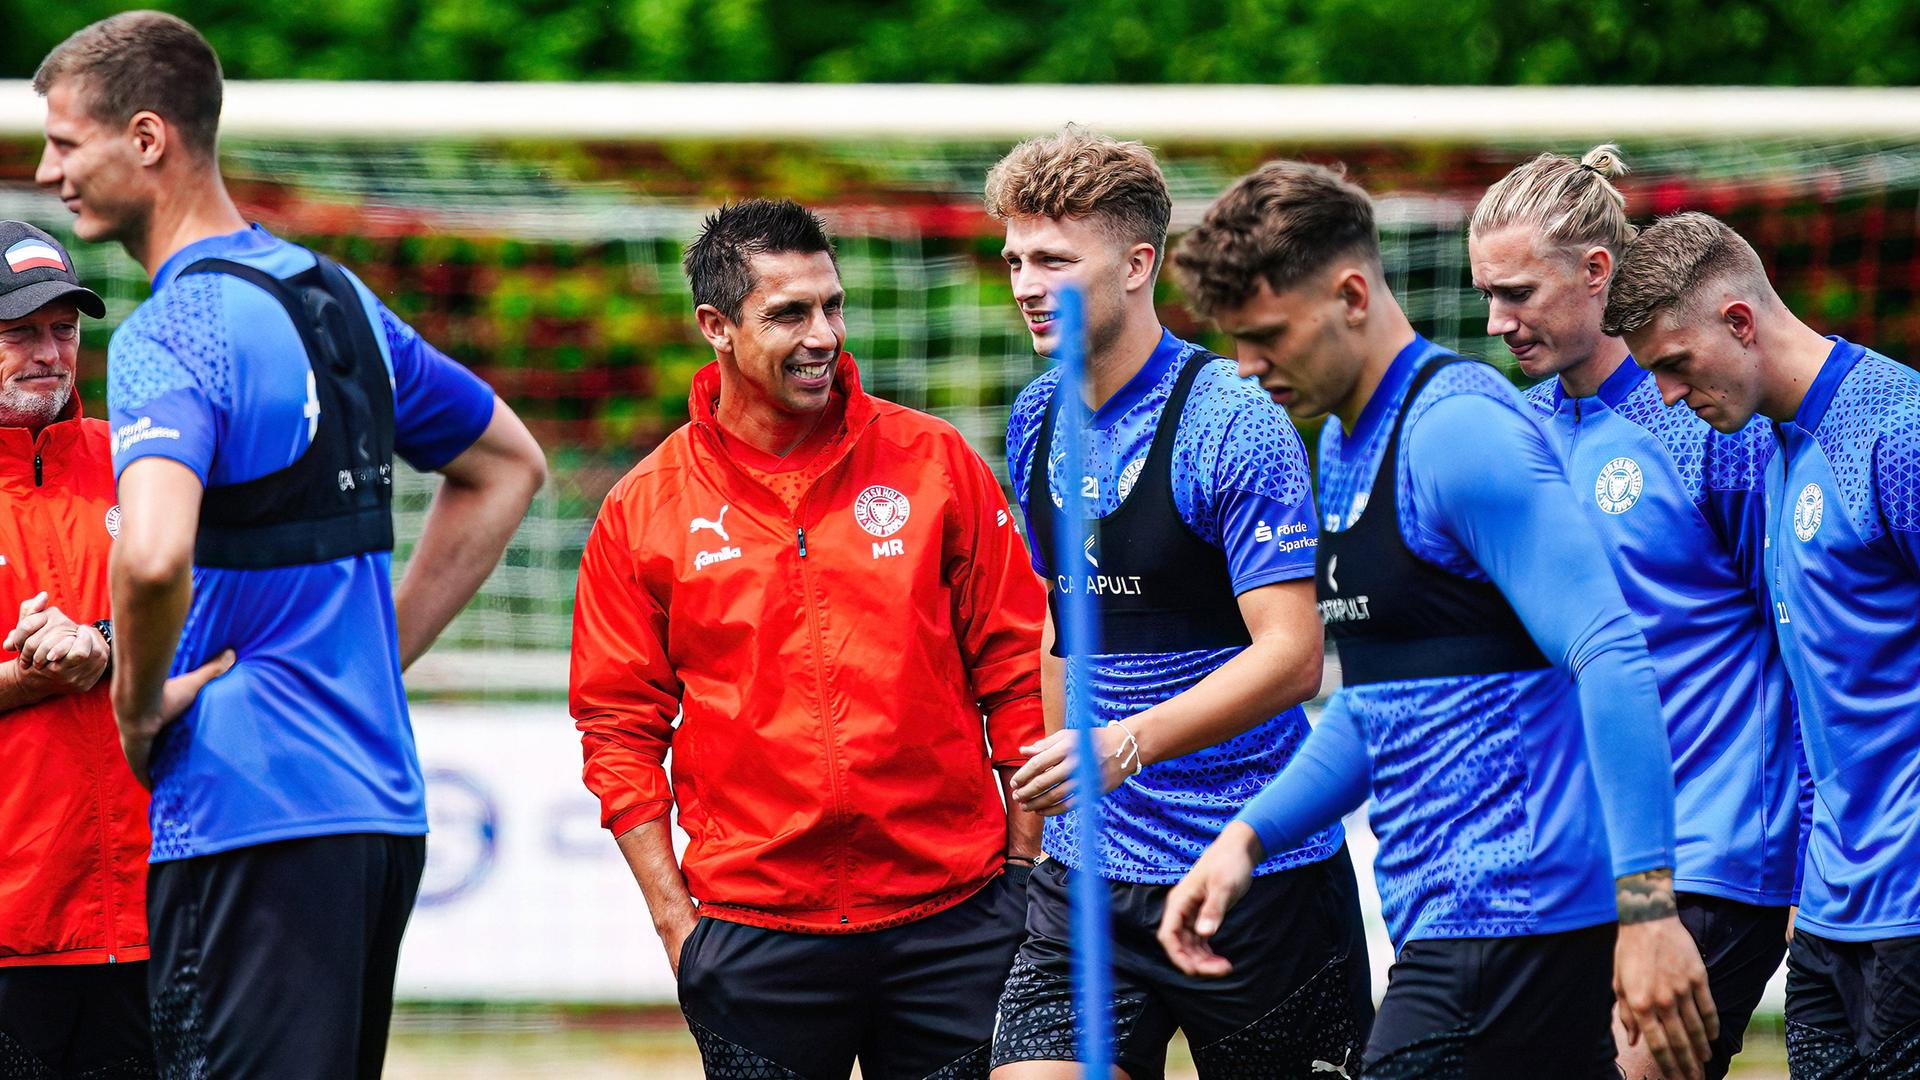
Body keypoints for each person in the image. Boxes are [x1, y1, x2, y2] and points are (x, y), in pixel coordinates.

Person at [33, 12, 548, 1079]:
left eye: (65, 142)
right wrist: (372, 658)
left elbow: (154, 554)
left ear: (146, 139)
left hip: (244, 811)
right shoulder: (336, 295)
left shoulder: (172, 331)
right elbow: (508, 468)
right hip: (378, 810)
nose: (48, 171)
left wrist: (135, 707)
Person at [1158, 160, 1716, 1079]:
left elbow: (1611, 651)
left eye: (1264, 338)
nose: (1247, 371)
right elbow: (1379, 710)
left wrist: (1650, 910)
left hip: (1515, 917)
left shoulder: (1458, 432)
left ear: (1348, 295)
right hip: (1452, 921)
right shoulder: (1342, 443)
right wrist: (1244, 838)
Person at [570, 198, 1044, 1080]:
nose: (822, 334)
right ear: (716, 326)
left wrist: (1022, 869)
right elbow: (616, 726)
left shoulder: (936, 463)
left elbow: (1019, 669)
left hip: (957, 919)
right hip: (756, 937)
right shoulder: (645, 507)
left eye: (832, 305)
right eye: (789, 313)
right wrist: (680, 929)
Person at [985, 128, 1371, 1080]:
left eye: (1054, 260)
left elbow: (1292, 657)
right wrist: (1047, 815)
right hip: (1085, 883)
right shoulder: (1036, 418)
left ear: (1137, 265)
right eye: (1014, 259)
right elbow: (1059, 621)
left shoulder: (1232, 419)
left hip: (1250, 877)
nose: (1026, 283)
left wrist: (1125, 745)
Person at [1470, 149, 1799, 1080]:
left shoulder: (1711, 424)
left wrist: (1821, 848)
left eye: (1519, 293)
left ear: (1597, 273)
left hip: (1711, 855)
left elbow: (1801, 642)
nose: (1498, 322)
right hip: (1567, 865)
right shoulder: (1512, 433)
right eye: (1486, 295)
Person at [1604, 210, 1920, 1077]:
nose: (1665, 396)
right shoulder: (1774, 453)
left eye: (1674, 364)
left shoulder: (1898, 431)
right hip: (1828, 917)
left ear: (1739, 321)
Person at [0, 221, 226, 1079]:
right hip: (14, 933)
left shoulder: (139, 462)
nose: (49, 352)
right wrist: (36, 674)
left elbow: (227, 622)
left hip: (157, 918)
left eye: (63, 328)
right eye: (19, 332)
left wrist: (100, 644)